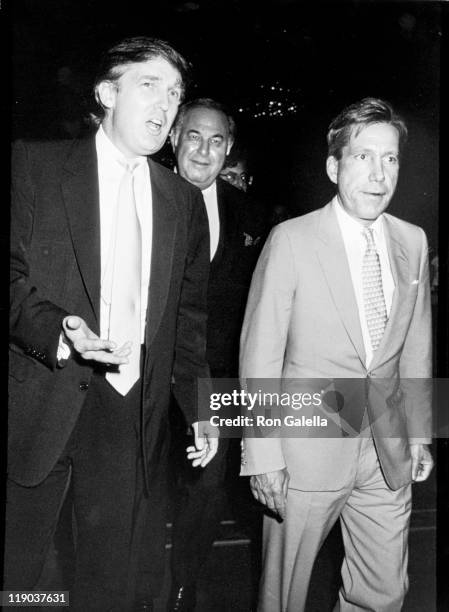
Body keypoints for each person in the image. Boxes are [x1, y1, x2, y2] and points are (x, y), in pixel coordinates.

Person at [7, 36, 217, 611]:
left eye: (175, 94)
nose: (165, 106)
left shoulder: (181, 201)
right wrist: (58, 329)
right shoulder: (36, 165)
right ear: (106, 93)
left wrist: (199, 407)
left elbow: (190, 319)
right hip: (42, 402)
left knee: (107, 588)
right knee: (21, 584)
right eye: (149, 86)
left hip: (131, 418)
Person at [240, 97, 433, 611]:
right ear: (333, 166)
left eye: (390, 158)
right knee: (284, 595)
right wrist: (263, 455)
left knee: (384, 591)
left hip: (386, 447)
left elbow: (415, 348)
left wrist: (419, 433)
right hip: (306, 447)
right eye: (363, 156)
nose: (378, 174)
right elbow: (259, 356)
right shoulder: (291, 240)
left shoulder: (411, 241)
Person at [168, 98, 264, 611]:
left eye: (217, 140)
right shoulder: (139, 195)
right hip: (145, 370)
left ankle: (183, 586)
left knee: (205, 492)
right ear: (174, 138)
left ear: (229, 149)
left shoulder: (250, 213)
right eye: (194, 136)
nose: (204, 150)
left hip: (219, 380)